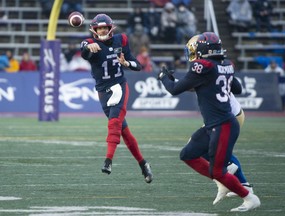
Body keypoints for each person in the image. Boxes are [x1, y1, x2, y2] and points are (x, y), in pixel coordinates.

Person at [157, 32, 260, 211]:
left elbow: (174, 90)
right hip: (217, 123)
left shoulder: (202, 66)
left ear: (203, 49)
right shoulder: (226, 64)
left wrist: (163, 78)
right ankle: (227, 181)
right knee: (188, 154)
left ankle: (249, 197)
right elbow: (236, 87)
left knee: (217, 171)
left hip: (223, 124)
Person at [80, 13, 153, 183]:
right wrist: (87, 48)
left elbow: (138, 65)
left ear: (110, 28)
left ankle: (108, 160)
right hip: (103, 92)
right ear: (94, 30)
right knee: (124, 131)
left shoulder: (122, 40)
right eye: (99, 28)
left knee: (114, 123)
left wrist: (126, 63)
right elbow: (83, 50)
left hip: (119, 87)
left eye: (105, 27)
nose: (103, 30)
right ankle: (143, 164)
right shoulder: (91, 44)